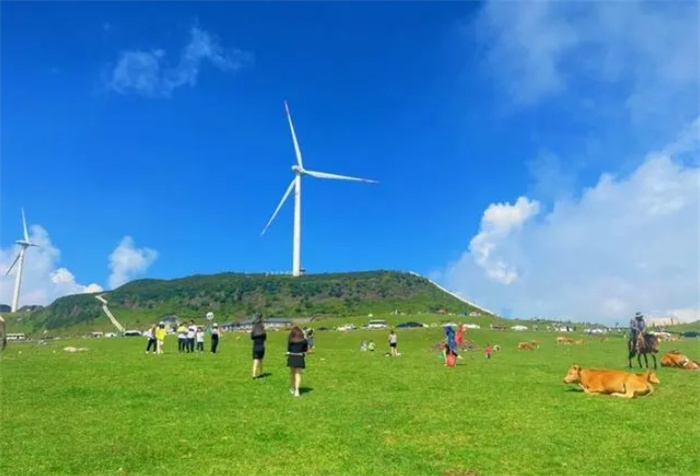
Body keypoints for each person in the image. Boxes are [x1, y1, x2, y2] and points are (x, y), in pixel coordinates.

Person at [287, 326, 308, 397]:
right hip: (300, 357)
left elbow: (289, 349)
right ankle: (297, 391)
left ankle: (292, 388)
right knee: (298, 374)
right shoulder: (304, 340)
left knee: (292, 374)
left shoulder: (290, 340)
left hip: (292, 357)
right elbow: (305, 350)